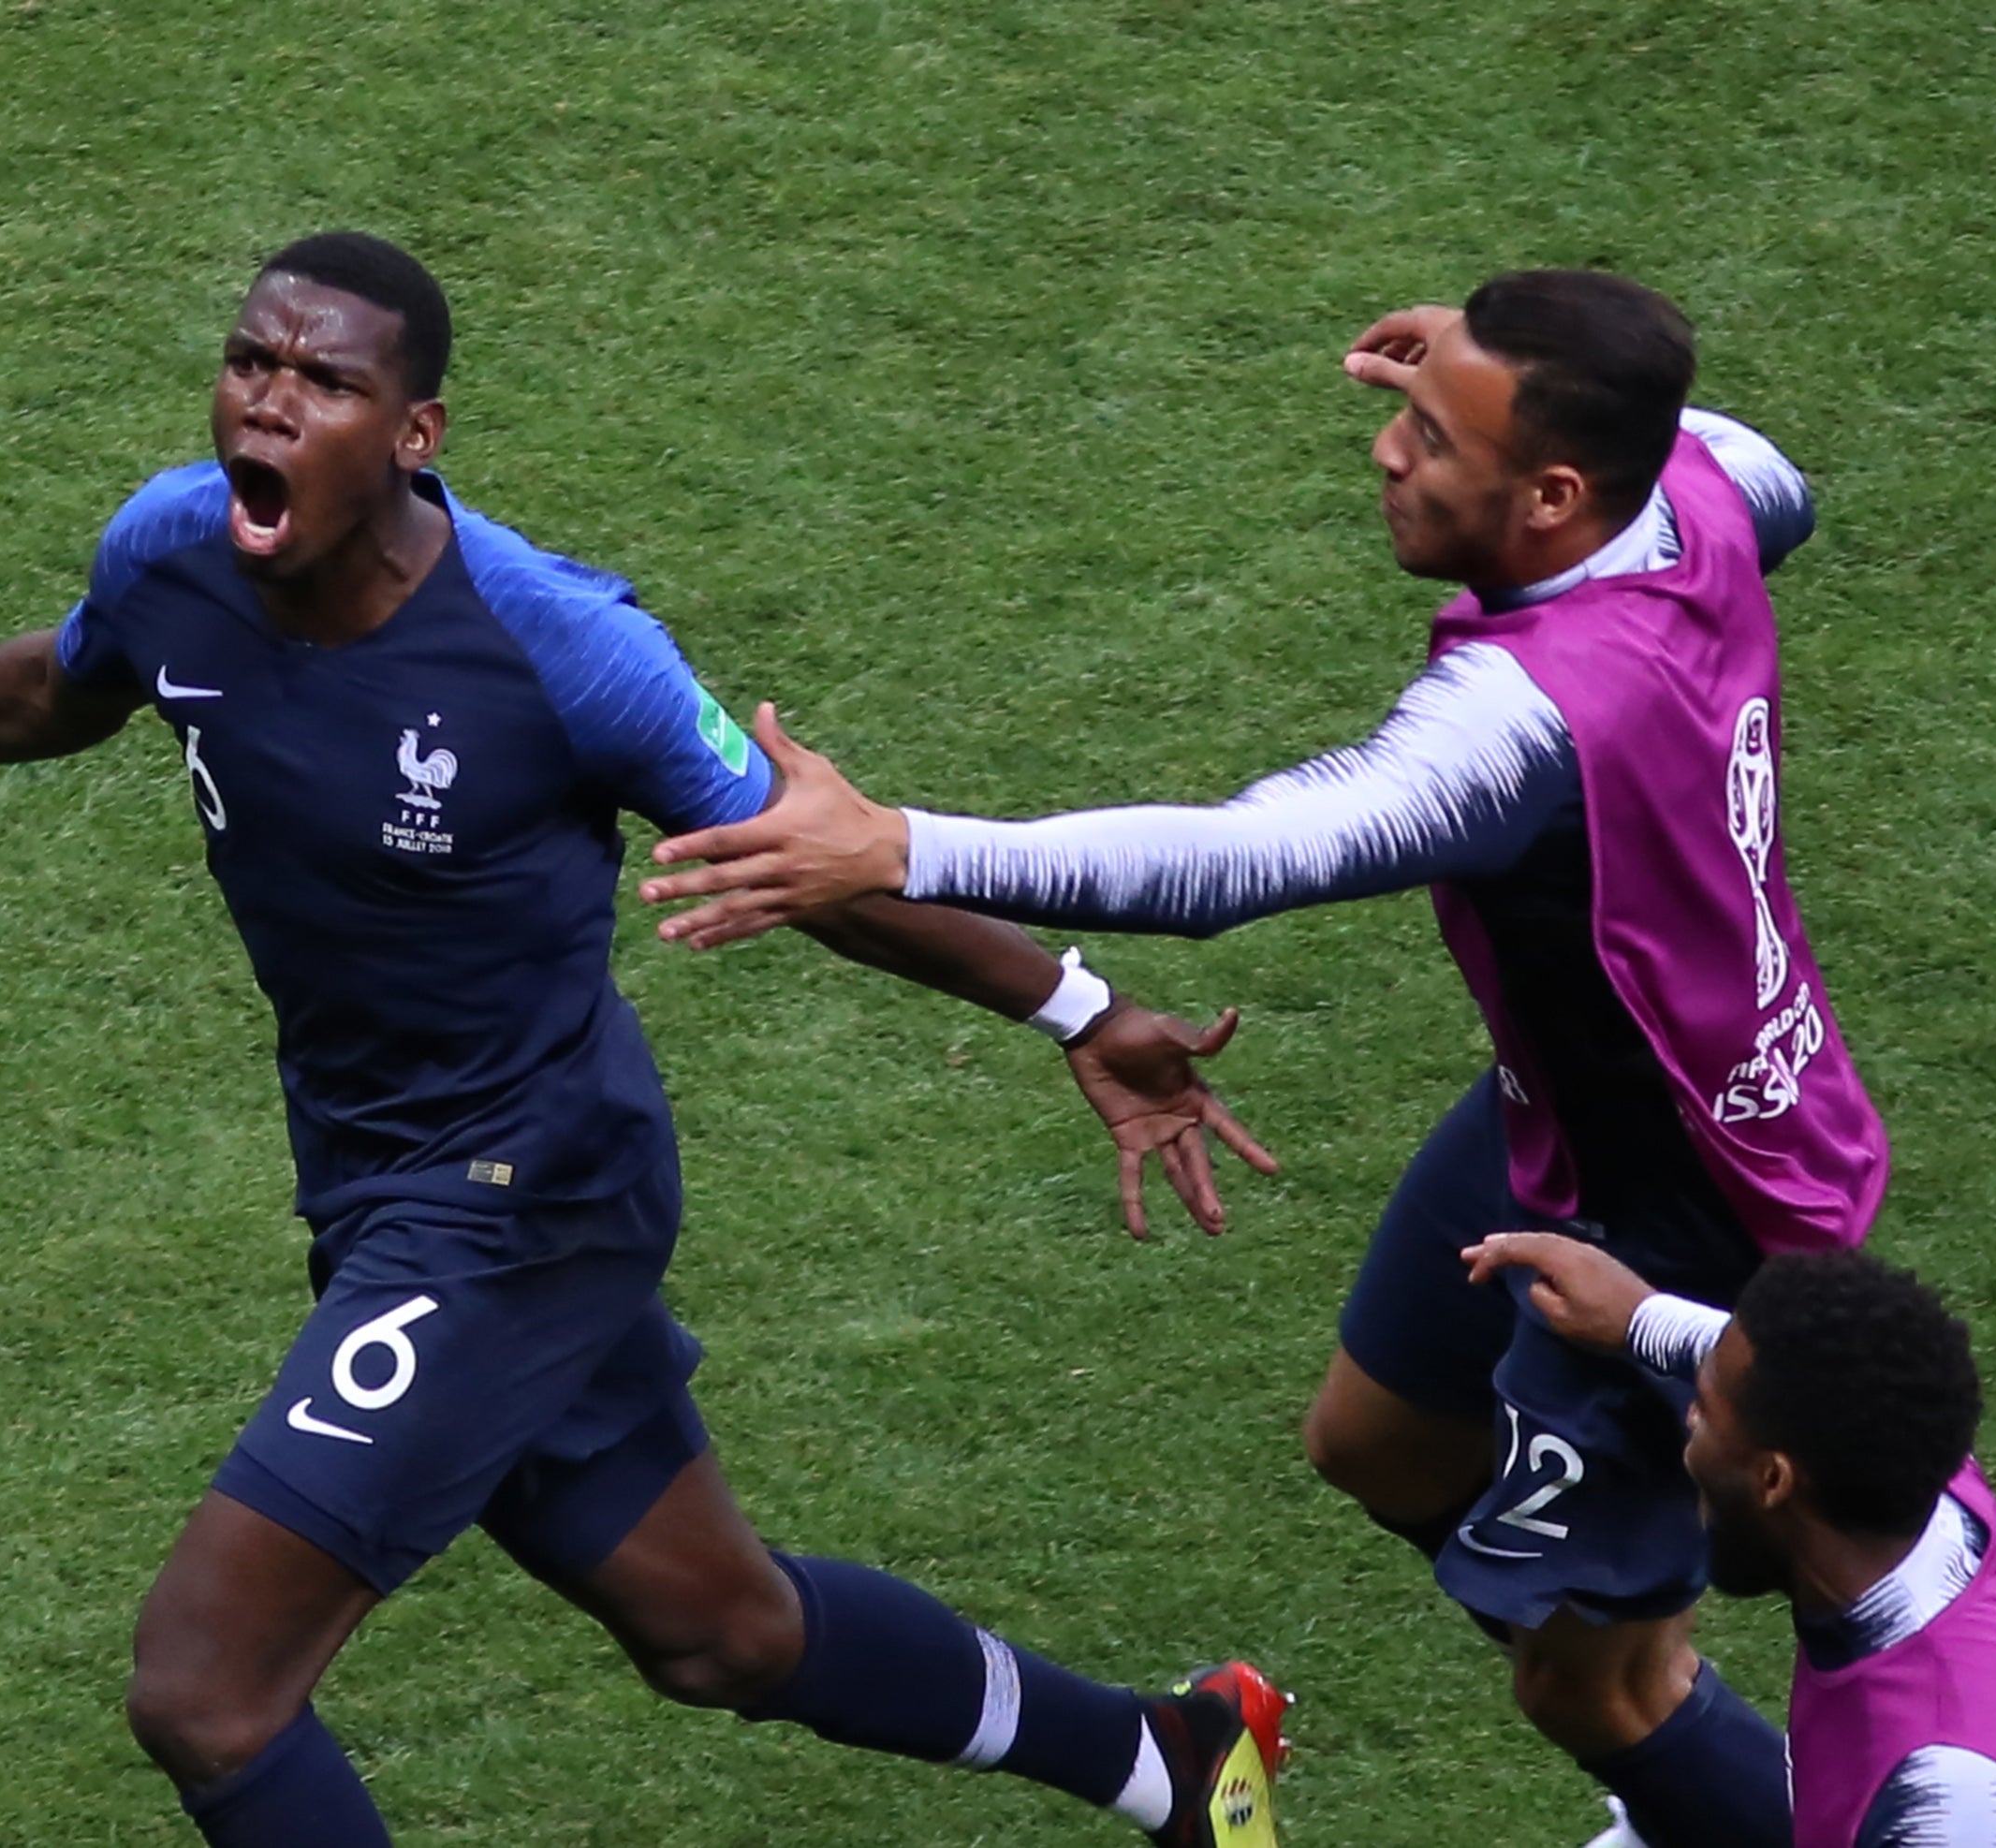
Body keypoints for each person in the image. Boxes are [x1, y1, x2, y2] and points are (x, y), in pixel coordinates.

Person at [0, 232, 1292, 1848]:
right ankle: (1177, 1754)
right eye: (253, 362)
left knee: (206, 1685)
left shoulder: (556, 643)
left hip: (523, 1187)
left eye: (326, 381)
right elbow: (77, 679)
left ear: (415, 435)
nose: (272, 401)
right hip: (378, 1171)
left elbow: (821, 857)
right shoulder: (171, 546)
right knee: (720, 1628)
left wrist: (1076, 1005)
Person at [639, 270, 1891, 1846]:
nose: (1387, 451)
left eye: (1434, 436)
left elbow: (1245, 858)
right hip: (1577, 1112)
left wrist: (900, 840)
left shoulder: (1531, 714)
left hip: (1680, 1206)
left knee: (1594, 1695)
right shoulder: (1696, 482)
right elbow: (1766, 477)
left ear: (1556, 493)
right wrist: (1488, 359)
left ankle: (1702, 1765)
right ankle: (1645, 1679)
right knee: (1373, 1438)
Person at [1464, 1232, 1996, 1848]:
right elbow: (1798, 1380)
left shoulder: (1951, 1802)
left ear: (1774, 1477)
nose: (1689, 1422)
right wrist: (1640, 1317)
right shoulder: (1930, 1492)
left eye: (1705, 1412)